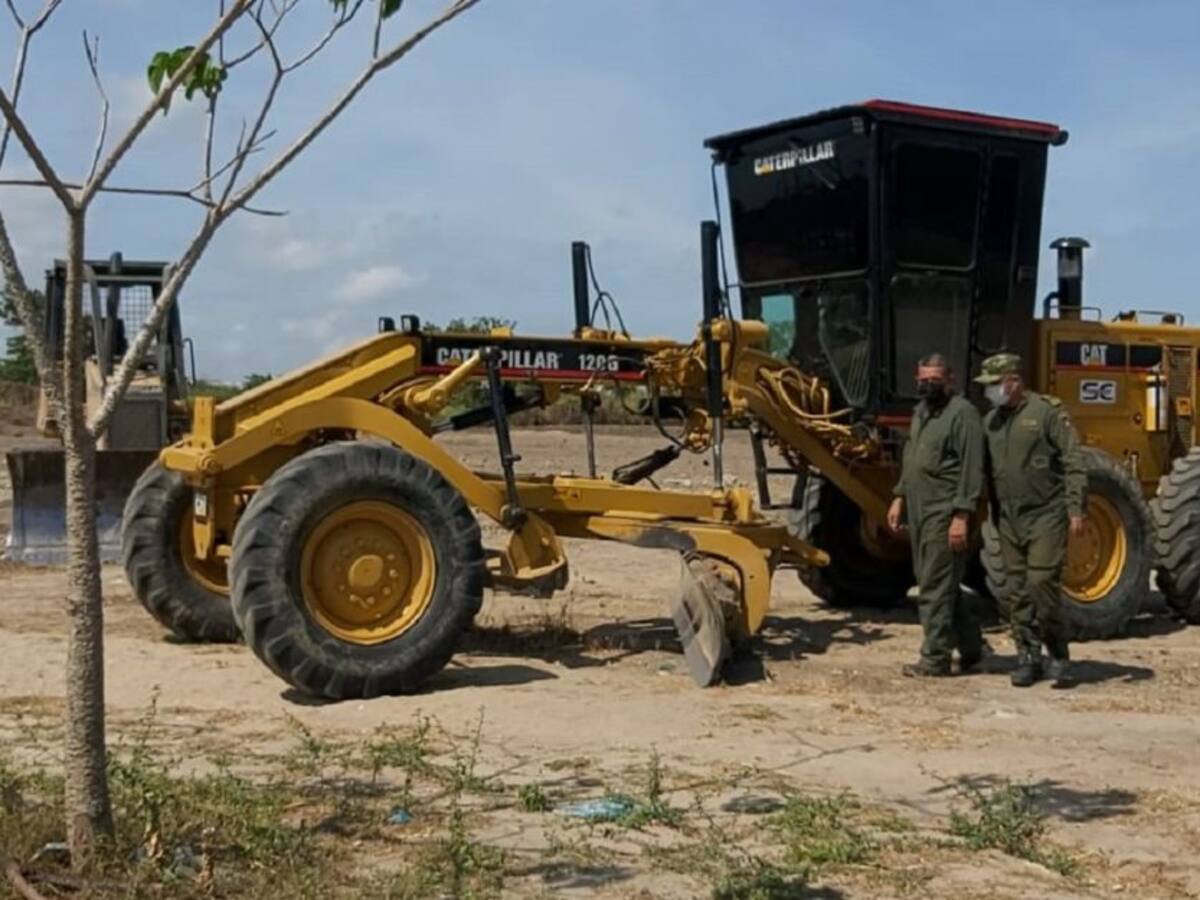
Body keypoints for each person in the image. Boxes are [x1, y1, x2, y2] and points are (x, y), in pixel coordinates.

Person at [975, 353, 1085, 688]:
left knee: (1041, 584)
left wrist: (1075, 508)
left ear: (1014, 381)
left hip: (1046, 515)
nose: (990, 392)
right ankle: (1028, 655)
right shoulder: (990, 422)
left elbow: (1072, 461)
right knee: (1016, 592)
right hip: (1008, 518)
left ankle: (1058, 651)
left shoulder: (1046, 412)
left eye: (995, 385)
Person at [887, 353, 985, 677]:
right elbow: (912, 455)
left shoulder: (964, 415)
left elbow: (971, 469)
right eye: (924, 380)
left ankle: (934, 659)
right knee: (942, 585)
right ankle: (971, 647)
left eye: (935, 380)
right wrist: (899, 497)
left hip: (944, 512)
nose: (929, 386)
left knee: (933, 587)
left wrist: (961, 515)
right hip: (919, 510)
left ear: (950, 379)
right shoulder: (922, 412)